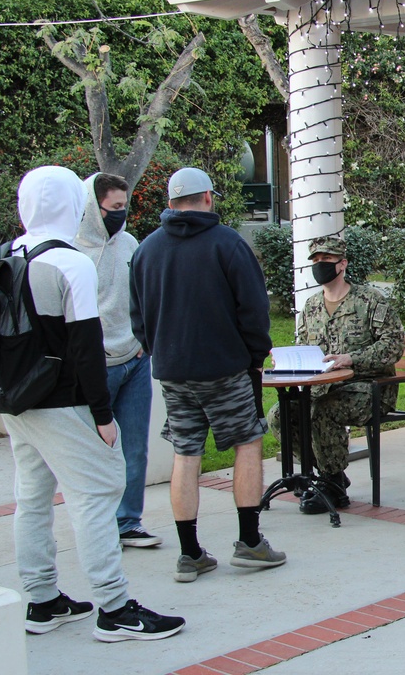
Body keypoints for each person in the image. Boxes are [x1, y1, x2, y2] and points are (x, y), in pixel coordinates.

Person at [0, 165, 184, 642]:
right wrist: (103, 416)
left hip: (16, 400)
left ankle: (42, 601)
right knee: (97, 496)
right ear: (75, 203)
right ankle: (115, 607)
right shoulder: (71, 261)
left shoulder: (4, 254)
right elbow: (85, 347)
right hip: (62, 401)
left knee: (32, 497)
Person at [129, 167, 285, 583]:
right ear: (209, 199)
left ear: (170, 202)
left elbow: (138, 318)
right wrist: (255, 355)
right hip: (224, 369)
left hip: (173, 372)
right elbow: (253, 310)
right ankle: (250, 543)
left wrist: (159, 349)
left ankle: (189, 553)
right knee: (248, 443)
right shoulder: (228, 243)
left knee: (186, 452)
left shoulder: (146, 250)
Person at [268, 236, 405, 514]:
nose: (320, 266)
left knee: (322, 412)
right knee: (280, 415)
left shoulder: (369, 300)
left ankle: (332, 486)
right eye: (316, 261)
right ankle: (326, 474)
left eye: (326, 261)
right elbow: (305, 348)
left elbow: (393, 346)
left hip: (368, 388)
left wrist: (351, 358)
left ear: (342, 264)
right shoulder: (311, 307)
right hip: (322, 388)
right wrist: (287, 358)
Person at [75, 172, 161, 548]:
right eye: (114, 208)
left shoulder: (130, 243)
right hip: (96, 366)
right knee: (93, 450)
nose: (121, 215)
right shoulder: (73, 252)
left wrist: (144, 340)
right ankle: (98, 527)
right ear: (94, 209)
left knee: (135, 446)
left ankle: (128, 522)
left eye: (124, 207)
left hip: (135, 360)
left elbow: (146, 293)